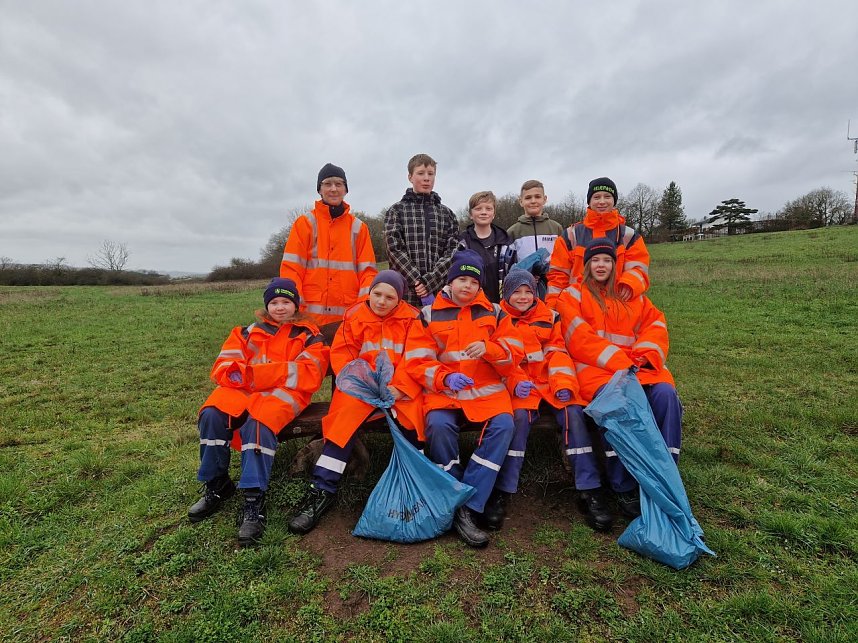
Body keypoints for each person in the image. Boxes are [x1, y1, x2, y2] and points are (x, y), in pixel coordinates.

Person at [188, 278, 329, 546]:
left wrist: (253, 374)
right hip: (245, 389)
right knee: (212, 413)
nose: (279, 307)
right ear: (266, 305)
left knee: (258, 422)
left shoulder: (309, 335)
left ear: (296, 305)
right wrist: (253, 377)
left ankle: (254, 502)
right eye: (274, 302)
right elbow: (222, 368)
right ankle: (217, 485)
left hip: (285, 396)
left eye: (286, 302)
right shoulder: (244, 332)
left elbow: (309, 375)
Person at [555, 238, 680, 532]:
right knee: (616, 403)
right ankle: (622, 483)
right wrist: (623, 364)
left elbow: (656, 327)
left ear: (615, 265)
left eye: (607, 261)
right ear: (586, 265)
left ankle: (665, 473)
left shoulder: (631, 296)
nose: (601, 265)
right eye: (595, 261)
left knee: (665, 394)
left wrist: (645, 357)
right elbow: (580, 340)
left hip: (638, 368)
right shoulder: (572, 295)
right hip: (596, 372)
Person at [402, 249, 523, 547]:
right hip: (445, 395)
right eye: (462, 279)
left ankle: (467, 505)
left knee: (505, 426)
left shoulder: (495, 311)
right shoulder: (428, 314)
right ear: (450, 281)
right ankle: (453, 495)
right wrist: (444, 377)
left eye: (473, 281)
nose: (467, 286)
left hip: (487, 395)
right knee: (438, 427)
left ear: (479, 285)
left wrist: (491, 350)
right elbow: (416, 360)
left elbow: (514, 353)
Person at [288, 270, 425, 534]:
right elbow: (343, 354)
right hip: (359, 387)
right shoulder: (354, 316)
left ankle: (414, 486)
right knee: (343, 424)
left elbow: (417, 358)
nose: (382, 301)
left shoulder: (413, 319)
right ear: (370, 292)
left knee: (412, 422)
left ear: (399, 300)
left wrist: (400, 387)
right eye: (377, 294)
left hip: (398, 389)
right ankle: (322, 491)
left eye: (389, 297)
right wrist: (361, 383)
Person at [488, 268, 580, 529]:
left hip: (549, 384)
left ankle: (589, 489)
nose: (523, 296)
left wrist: (562, 383)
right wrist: (515, 382)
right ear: (506, 294)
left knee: (574, 413)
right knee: (517, 420)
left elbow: (557, 353)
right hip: (520, 387)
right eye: (516, 291)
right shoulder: (497, 317)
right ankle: (503, 491)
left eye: (528, 291)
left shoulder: (549, 316)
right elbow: (500, 358)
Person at [280, 163, 378, 329]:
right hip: (309, 318)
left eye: (339, 184)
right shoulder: (304, 224)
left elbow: (367, 274)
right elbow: (291, 270)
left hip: (348, 320)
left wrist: (361, 309)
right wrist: (296, 306)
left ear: (346, 190)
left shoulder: (359, 228)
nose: (333, 189)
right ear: (319, 189)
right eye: (328, 184)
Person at [546, 177, 650, 306]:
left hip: (617, 305)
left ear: (614, 201)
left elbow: (639, 268)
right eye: (596, 197)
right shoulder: (570, 236)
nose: (602, 201)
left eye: (607, 196)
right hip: (578, 306)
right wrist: (554, 308)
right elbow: (557, 276)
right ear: (589, 201)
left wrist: (630, 284)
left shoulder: (629, 236)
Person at [384, 153, 460, 308]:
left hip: (439, 292)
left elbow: (452, 250)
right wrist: (417, 281)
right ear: (410, 177)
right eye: (420, 173)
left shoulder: (447, 214)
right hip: (405, 292)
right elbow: (394, 249)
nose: (426, 178)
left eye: (431, 174)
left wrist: (430, 281)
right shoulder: (396, 210)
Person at [507, 179, 565, 299]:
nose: (533, 201)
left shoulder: (556, 228)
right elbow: (509, 266)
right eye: (528, 198)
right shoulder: (513, 231)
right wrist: (523, 275)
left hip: (553, 289)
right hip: (524, 291)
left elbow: (564, 261)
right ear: (521, 201)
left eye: (537, 197)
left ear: (544, 199)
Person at [457, 190, 516, 303]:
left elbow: (513, 273)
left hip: (501, 304)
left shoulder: (506, 242)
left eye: (488, 209)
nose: (483, 212)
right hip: (471, 304)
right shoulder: (462, 243)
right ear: (470, 214)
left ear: (494, 214)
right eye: (478, 209)